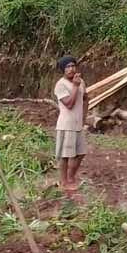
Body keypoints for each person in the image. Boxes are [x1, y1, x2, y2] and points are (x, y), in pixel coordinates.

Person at [53, 56, 88, 191]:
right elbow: (69, 104)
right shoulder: (61, 85)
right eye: (67, 67)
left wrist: (84, 117)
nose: (71, 69)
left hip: (78, 124)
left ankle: (71, 177)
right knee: (65, 155)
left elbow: (85, 98)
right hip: (66, 125)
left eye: (73, 66)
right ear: (63, 70)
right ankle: (64, 181)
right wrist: (74, 86)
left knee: (81, 153)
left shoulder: (81, 82)